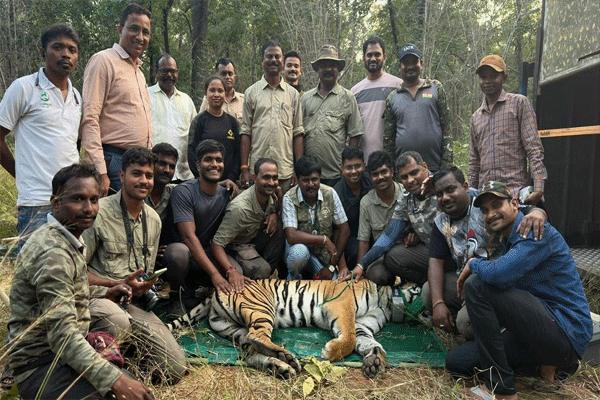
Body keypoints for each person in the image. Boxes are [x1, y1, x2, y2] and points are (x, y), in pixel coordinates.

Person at [8, 163, 153, 400]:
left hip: (57, 355)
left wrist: (104, 294)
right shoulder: (53, 253)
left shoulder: (66, 237)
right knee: (123, 390)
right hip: (40, 366)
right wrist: (114, 381)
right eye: (78, 199)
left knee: (133, 387)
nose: (89, 209)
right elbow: (62, 336)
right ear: (56, 203)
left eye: (94, 200)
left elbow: (67, 293)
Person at [447, 181, 592, 400]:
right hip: (538, 328)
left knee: (476, 284)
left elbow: (498, 275)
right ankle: (549, 368)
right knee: (457, 363)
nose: (491, 214)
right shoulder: (507, 240)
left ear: (514, 203)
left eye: (497, 205)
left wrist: (473, 264)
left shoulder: (533, 229)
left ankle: (501, 390)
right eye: (485, 210)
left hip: (565, 331)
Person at [82, 147, 187, 383]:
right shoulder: (98, 213)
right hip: (99, 298)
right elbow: (76, 271)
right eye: (136, 174)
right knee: (116, 321)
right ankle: (99, 369)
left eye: (148, 176)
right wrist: (115, 284)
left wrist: (143, 285)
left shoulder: (153, 219)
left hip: (132, 303)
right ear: (121, 176)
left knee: (174, 368)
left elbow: (145, 270)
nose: (144, 181)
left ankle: (123, 359)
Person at [423, 167, 547, 339]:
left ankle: (494, 331)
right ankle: (454, 321)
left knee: (466, 324)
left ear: (465, 187)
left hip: (496, 281)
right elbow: (435, 261)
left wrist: (538, 213)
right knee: (429, 292)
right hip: (463, 280)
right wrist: (438, 304)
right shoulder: (441, 222)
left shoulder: (484, 206)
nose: (445, 197)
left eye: (451, 190)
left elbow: (524, 210)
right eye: (439, 194)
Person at [0, 24, 81, 242]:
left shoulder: (76, 97)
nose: (66, 54)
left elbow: (73, 143)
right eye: (58, 47)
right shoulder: (24, 88)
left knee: (69, 268)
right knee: (34, 270)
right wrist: (20, 173)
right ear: (43, 52)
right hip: (36, 201)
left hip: (71, 201)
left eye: (72, 50)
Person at [80, 3, 153, 197]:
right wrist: (100, 171)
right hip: (113, 161)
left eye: (146, 32)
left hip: (138, 163)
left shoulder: (139, 72)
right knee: (113, 224)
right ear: (120, 29)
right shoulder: (103, 61)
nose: (140, 37)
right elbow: (89, 118)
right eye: (134, 29)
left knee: (133, 225)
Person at [163, 140, 242, 316]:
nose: (214, 164)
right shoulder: (184, 192)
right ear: (198, 165)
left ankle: (206, 294)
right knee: (178, 253)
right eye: (208, 160)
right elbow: (189, 237)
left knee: (238, 271)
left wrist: (272, 211)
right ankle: (177, 296)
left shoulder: (227, 192)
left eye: (218, 160)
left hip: (209, 254)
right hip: (187, 255)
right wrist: (215, 274)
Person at [350, 151, 437, 286]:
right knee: (393, 258)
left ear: (425, 167)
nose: (410, 180)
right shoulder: (406, 197)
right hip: (432, 253)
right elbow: (390, 235)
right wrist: (361, 265)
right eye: (405, 177)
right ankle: (426, 283)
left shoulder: (441, 185)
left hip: (457, 253)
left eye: (414, 173)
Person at [469, 54, 547, 205]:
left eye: (493, 76)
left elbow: (533, 148)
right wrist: (472, 190)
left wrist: (538, 187)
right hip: (485, 195)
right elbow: (474, 160)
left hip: (514, 194)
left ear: (504, 78)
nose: (488, 81)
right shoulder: (476, 117)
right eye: (483, 77)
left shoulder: (519, 104)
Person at [240, 40, 304, 194]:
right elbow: (246, 132)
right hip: (258, 171)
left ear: (282, 61)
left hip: (285, 171)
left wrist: (298, 169)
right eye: (269, 56)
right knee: (257, 215)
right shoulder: (251, 92)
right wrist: (244, 168)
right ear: (262, 61)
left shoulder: (293, 95)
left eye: (278, 56)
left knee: (284, 214)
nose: (274, 60)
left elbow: (298, 133)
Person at [211, 158, 285, 285]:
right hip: (229, 248)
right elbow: (216, 244)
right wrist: (231, 270)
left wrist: (274, 214)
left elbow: (276, 211)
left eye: (275, 178)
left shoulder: (272, 197)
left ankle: (264, 276)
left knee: (280, 229)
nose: (271, 183)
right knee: (237, 273)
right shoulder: (239, 209)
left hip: (249, 243)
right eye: (266, 177)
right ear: (255, 178)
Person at [383, 43, 452, 173]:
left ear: (421, 63)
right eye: (405, 63)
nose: (410, 66)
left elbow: (447, 129)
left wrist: (447, 166)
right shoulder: (393, 97)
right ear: (400, 67)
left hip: (435, 168)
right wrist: (391, 170)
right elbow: (388, 140)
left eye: (414, 62)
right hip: (404, 172)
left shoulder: (435, 88)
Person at [302, 44, 363, 187]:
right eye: (323, 65)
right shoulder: (305, 98)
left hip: (335, 175)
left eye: (332, 66)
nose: (328, 69)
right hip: (309, 176)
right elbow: (298, 134)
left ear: (338, 70)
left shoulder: (348, 97)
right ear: (317, 69)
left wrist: (347, 168)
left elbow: (355, 134)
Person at [282, 156, 350, 280]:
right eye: (305, 180)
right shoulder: (289, 198)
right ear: (297, 180)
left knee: (334, 284)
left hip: (323, 257)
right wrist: (323, 240)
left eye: (314, 179)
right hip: (299, 252)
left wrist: (333, 265)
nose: (311, 184)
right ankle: (294, 280)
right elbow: (291, 236)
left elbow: (344, 229)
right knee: (299, 254)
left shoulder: (330, 193)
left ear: (320, 178)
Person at [353, 151, 404, 284]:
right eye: (375, 174)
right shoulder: (366, 202)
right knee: (375, 275)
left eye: (384, 172)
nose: (380, 177)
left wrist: (413, 233)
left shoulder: (406, 194)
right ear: (370, 177)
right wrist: (361, 267)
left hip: (406, 254)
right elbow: (363, 240)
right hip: (381, 257)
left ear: (392, 171)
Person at [351, 36, 402, 161]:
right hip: (365, 162)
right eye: (369, 55)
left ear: (384, 57)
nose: (373, 58)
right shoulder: (355, 91)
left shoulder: (398, 85)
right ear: (364, 58)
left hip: (393, 160)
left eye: (377, 54)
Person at [148, 54, 196, 181]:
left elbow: (194, 135)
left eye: (173, 71)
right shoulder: (146, 96)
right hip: (153, 172)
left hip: (183, 174)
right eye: (164, 71)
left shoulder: (187, 101)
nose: (169, 75)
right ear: (156, 72)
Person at [188, 76, 241, 183]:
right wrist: (202, 178)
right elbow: (191, 151)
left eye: (220, 91)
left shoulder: (232, 122)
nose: (216, 94)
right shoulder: (199, 121)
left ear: (225, 94)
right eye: (212, 90)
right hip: (203, 184)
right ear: (206, 94)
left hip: (228, 184)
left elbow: (238, 153)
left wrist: (231, 178)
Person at [333, 147, 373, 269]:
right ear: (342, 169)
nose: (354, 171)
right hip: (351, 238)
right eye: (349, 167)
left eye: (358, 166)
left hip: (374, 232)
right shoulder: (337, 193)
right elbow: (336, 232)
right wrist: (342, 265)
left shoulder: (373, 182)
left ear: (365, 166)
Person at [199, 58, 244, 123]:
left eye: (230, 74)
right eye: (223, 74)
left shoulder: (244, 100)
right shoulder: (209, 100)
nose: (227, 77)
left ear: (234, 77)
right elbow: (200, 122)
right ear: (217, 76)